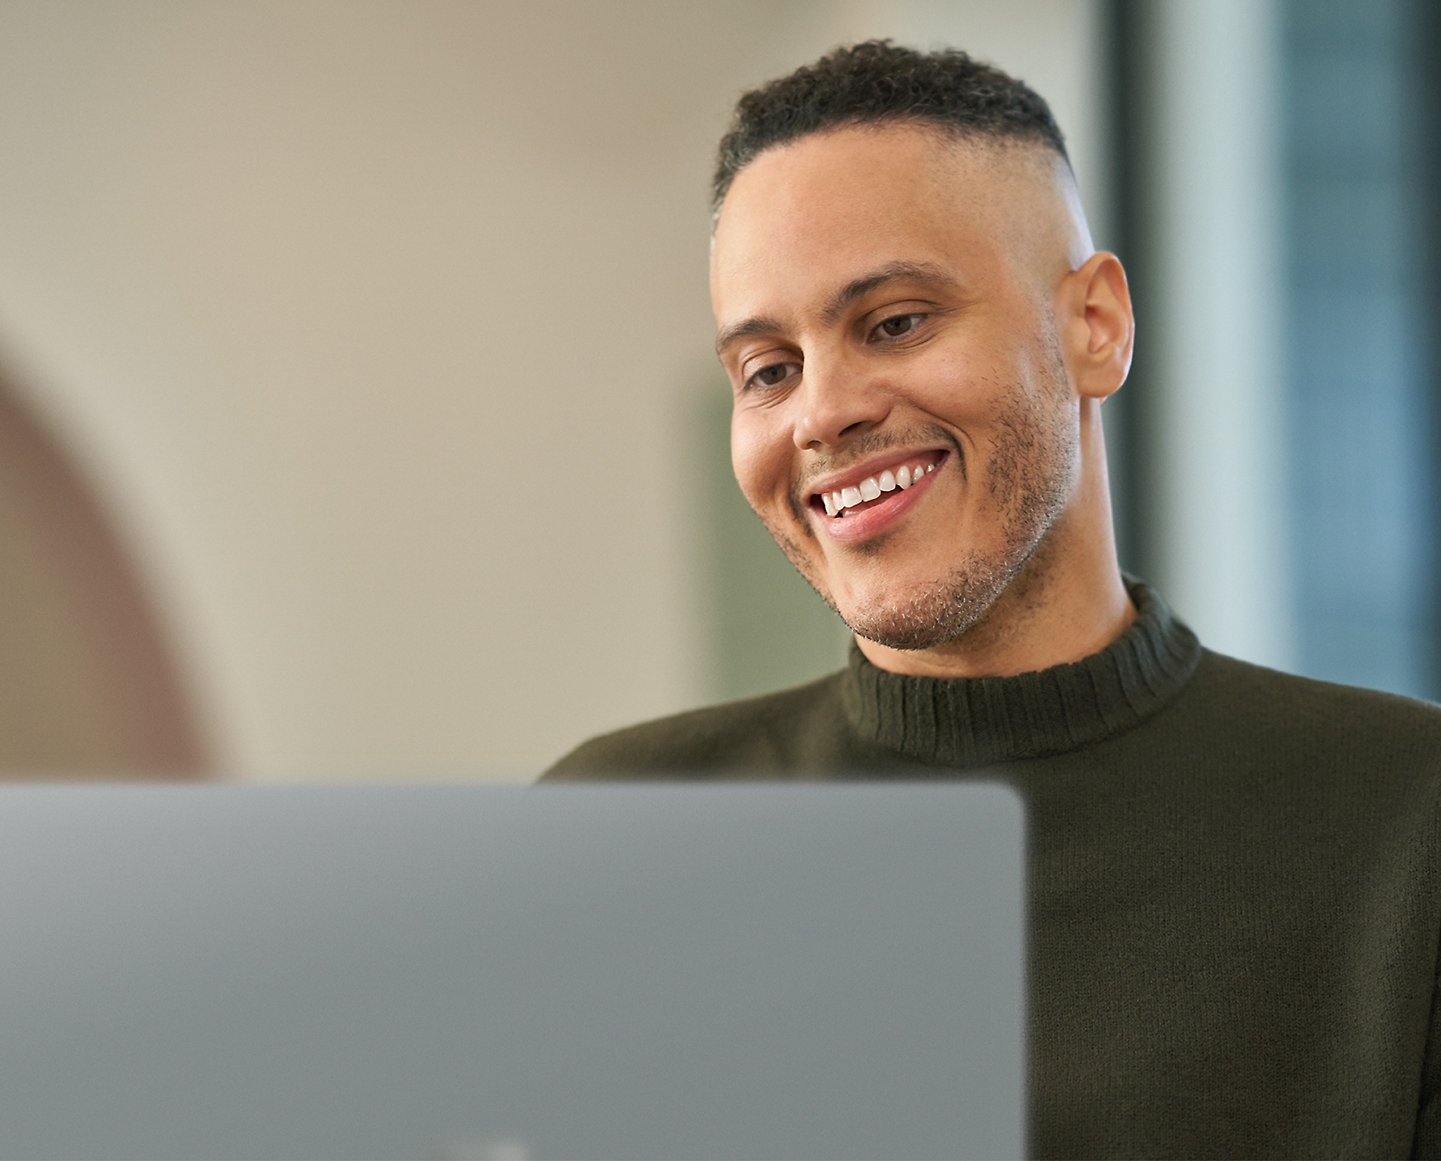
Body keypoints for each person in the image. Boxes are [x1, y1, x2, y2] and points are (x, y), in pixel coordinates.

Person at [545, 42, 1441, 1157]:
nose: (821, 415)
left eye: (895, 322)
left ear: (1094, 326)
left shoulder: (1408, 828)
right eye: (767, 368)